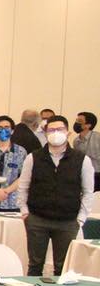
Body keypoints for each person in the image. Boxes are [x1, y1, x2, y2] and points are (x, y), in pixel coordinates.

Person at [18, 115, 95, 276]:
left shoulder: (82, 160)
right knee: (35, 265)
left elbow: (88, 192)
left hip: (68, 221)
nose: (55, 133)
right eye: (51, 130)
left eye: (60, 129)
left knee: (62, 267)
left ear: (67, 133)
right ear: (45, 133)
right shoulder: (33, 158)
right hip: (37, 219)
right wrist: (24, 211)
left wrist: (81, 218)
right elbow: (23, 186)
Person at [75, 112, 100, 186]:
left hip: (98, 174)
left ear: (88, 125)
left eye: (79, 121)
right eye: (76, 120)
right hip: (84, 174)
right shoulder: (76, 141)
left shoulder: (97, 137)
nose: (76, 123)